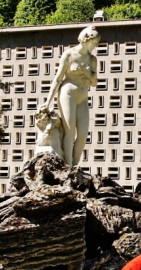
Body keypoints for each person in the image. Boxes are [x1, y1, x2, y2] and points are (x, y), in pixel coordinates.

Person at [40, 26, 100, 166]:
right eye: (94, 41)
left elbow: (95, 83)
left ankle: (75, 164)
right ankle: (68, 166)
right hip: (68, 94)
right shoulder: (69, 54)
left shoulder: (92, 60)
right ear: (86, 39)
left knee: (83, 134)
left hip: (82, 97)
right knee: (70, 131)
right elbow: (58, 78)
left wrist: (90, 75)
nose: (95, 45)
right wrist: (48, 102)